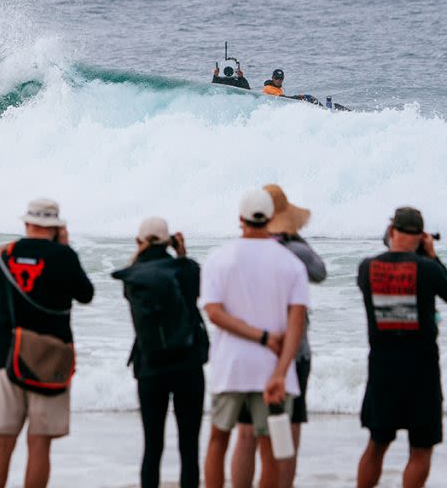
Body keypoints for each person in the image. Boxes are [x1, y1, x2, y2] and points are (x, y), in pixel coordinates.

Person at [0, 198, 95, 488]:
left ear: (27, 223)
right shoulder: (64, 257)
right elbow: (86, 294)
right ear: (56, 227)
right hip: (50, 358)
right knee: (39, 443)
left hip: (6, 354)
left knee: (1, 443)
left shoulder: (1, 256)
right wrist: (64, 248)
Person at [201, 189, 308, 488]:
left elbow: (214, 313)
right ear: (272, 219)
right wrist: (280, 371)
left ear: (240, 219)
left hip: (230, 365)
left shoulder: (219, 258)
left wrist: (258, 336)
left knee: (218, 440)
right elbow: (295, 326)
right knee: (270, 448)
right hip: (272, 368)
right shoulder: (291, 264)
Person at [231, 184, 326, 488]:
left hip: (250, 348)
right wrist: (296, 237)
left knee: (246, 433)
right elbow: (319, 272)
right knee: (287, 432)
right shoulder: (295, 251)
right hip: (292, 352)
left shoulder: (238, 252)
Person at [112, 217, 208, 488]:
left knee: (152, 448)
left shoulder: (132, 277)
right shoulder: (186, 269)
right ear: (170, 241)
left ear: (138, 241)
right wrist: (181, 253)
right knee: (189, 450)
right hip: (188, 366)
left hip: (150, 368)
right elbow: (193, 293)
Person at [355, 207, 447, 488]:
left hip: (382, 369)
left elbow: (394, 262)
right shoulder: (428, 269)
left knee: (377, 444)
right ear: (420, 236)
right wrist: (432, 255)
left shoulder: (367, 268)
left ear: (392, 231)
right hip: (421, 370)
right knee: (420, 448)